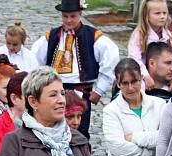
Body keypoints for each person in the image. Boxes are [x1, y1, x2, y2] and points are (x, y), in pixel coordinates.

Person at [31, 0, 120, 137]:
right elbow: (35, 59)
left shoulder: (92, 35)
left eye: (73, 16)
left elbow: (111, 57)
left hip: (81, 91)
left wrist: (99, 89)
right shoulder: (52, 36)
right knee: (53, 129)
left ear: (80, 14)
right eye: (65, 16)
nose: (69, 20)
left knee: (80, 130)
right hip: (55, 90)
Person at [129, 0, 172, 91]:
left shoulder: (167, 35)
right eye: (157, 13)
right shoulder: (139, 35)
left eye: (164, 13)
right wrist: (145, 76)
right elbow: (135, 59)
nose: (162, 16)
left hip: (163, 76)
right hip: (141, 76)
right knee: (137, 90)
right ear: (146, 15)